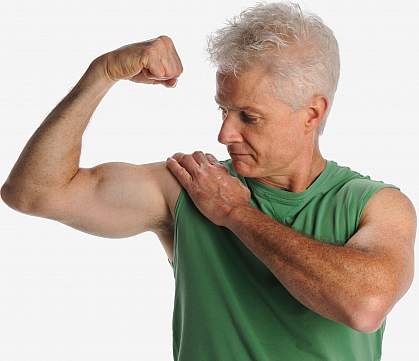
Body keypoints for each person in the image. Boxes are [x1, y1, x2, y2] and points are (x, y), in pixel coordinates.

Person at [1, 1, 416, 360]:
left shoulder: (374, 204)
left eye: (248, 117)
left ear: (312, 114)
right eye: (224, 111)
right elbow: (34, 193)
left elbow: (365, 305)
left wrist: (236, 213)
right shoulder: (188, 186)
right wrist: (102, 73)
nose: (224, 135)